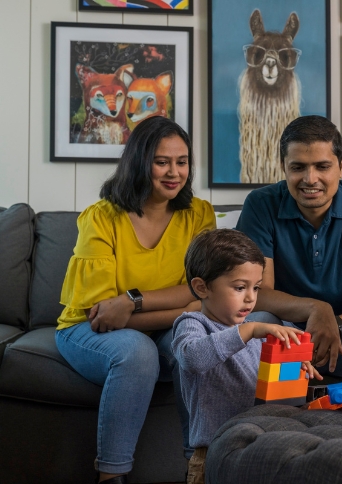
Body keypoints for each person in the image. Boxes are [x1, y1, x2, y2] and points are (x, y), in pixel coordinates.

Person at [55, 116, 216, 484]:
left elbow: (201, 289)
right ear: (139, 161)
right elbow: (101, 316)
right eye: (162, 161)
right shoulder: (101, 217)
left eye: (182, 161)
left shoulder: (199, 215)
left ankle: (199, 468)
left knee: (194, 344)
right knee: (137, 353)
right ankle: (111, 476)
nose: (174, 172)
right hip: (84, 328)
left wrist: (132, 300)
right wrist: (186, 308)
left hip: (151, 323)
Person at [172, 229, 322, 484]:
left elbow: (273, 386)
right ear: (202, 287)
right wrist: (249, 330)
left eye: (256, 288)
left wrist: (295, 360)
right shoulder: (193, 324)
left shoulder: (256, 332)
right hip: (214, 452)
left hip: (260, 445)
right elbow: (193, 358)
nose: (251, 298)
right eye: (240, 287)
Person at [237, 115, 342, 378]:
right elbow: (257, 292)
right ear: (283, 166)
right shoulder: (261, 203)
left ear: (341, 166)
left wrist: (335, 325)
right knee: (259, 321)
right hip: (286, 336)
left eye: (322, 167)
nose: (311, 179)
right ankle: (268, 409)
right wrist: (316, 308)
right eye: (298, 167)